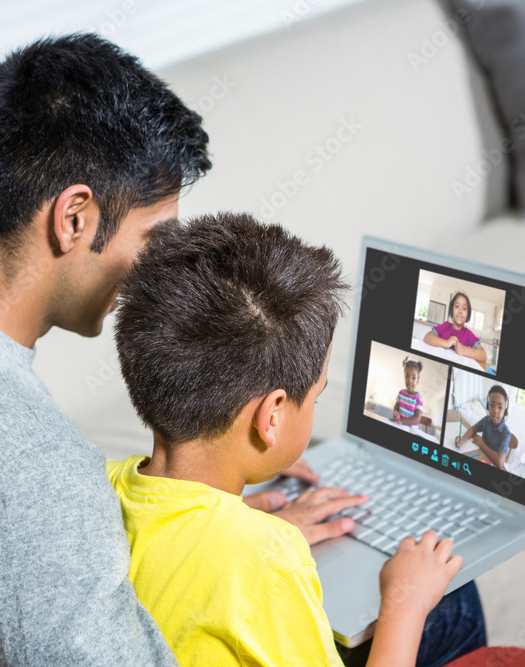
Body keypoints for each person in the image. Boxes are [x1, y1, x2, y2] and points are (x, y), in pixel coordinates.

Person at [0, 34, 352, 666]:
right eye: (155, 235)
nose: (162, 267)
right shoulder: (30, 469)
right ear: (74, 218)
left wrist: (221, 543)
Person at [107, 212, 485, 666]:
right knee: (457, 602)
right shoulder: (269, 562)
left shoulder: (105, 486)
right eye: (316, 397)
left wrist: (244, 525)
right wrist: (404, 603)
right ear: (271, 418)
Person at [455, 385, 512, 469]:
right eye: (492, 405)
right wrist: (463, 439)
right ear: (488, 406)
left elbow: (500, 462)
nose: (495, 410)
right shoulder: (486, 420)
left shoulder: (506, 433)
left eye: (500, 407)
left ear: (505, 411)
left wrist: (482, 444)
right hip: (482, 457)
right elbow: (473, 429)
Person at [423, 292, 486, 363]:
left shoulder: (468, 334)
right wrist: (446, 343)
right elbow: (427, 337)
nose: (460, 311)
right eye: (457, 306)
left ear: (468, 314)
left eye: (464, 308)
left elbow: (483, 355)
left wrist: (463, 350)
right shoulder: (445, 326)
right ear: (451, 310)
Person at [392, 357, 424, 427]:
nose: (409, 381)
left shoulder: (418, 398)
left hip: (411, 430)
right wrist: (395, 413)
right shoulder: (401, 393)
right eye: (407, 376)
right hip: (399, 426)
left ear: (417, 381)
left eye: (413, 378)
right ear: (404, 377)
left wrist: (401, 421)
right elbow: (395, 408)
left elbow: (417, 419)